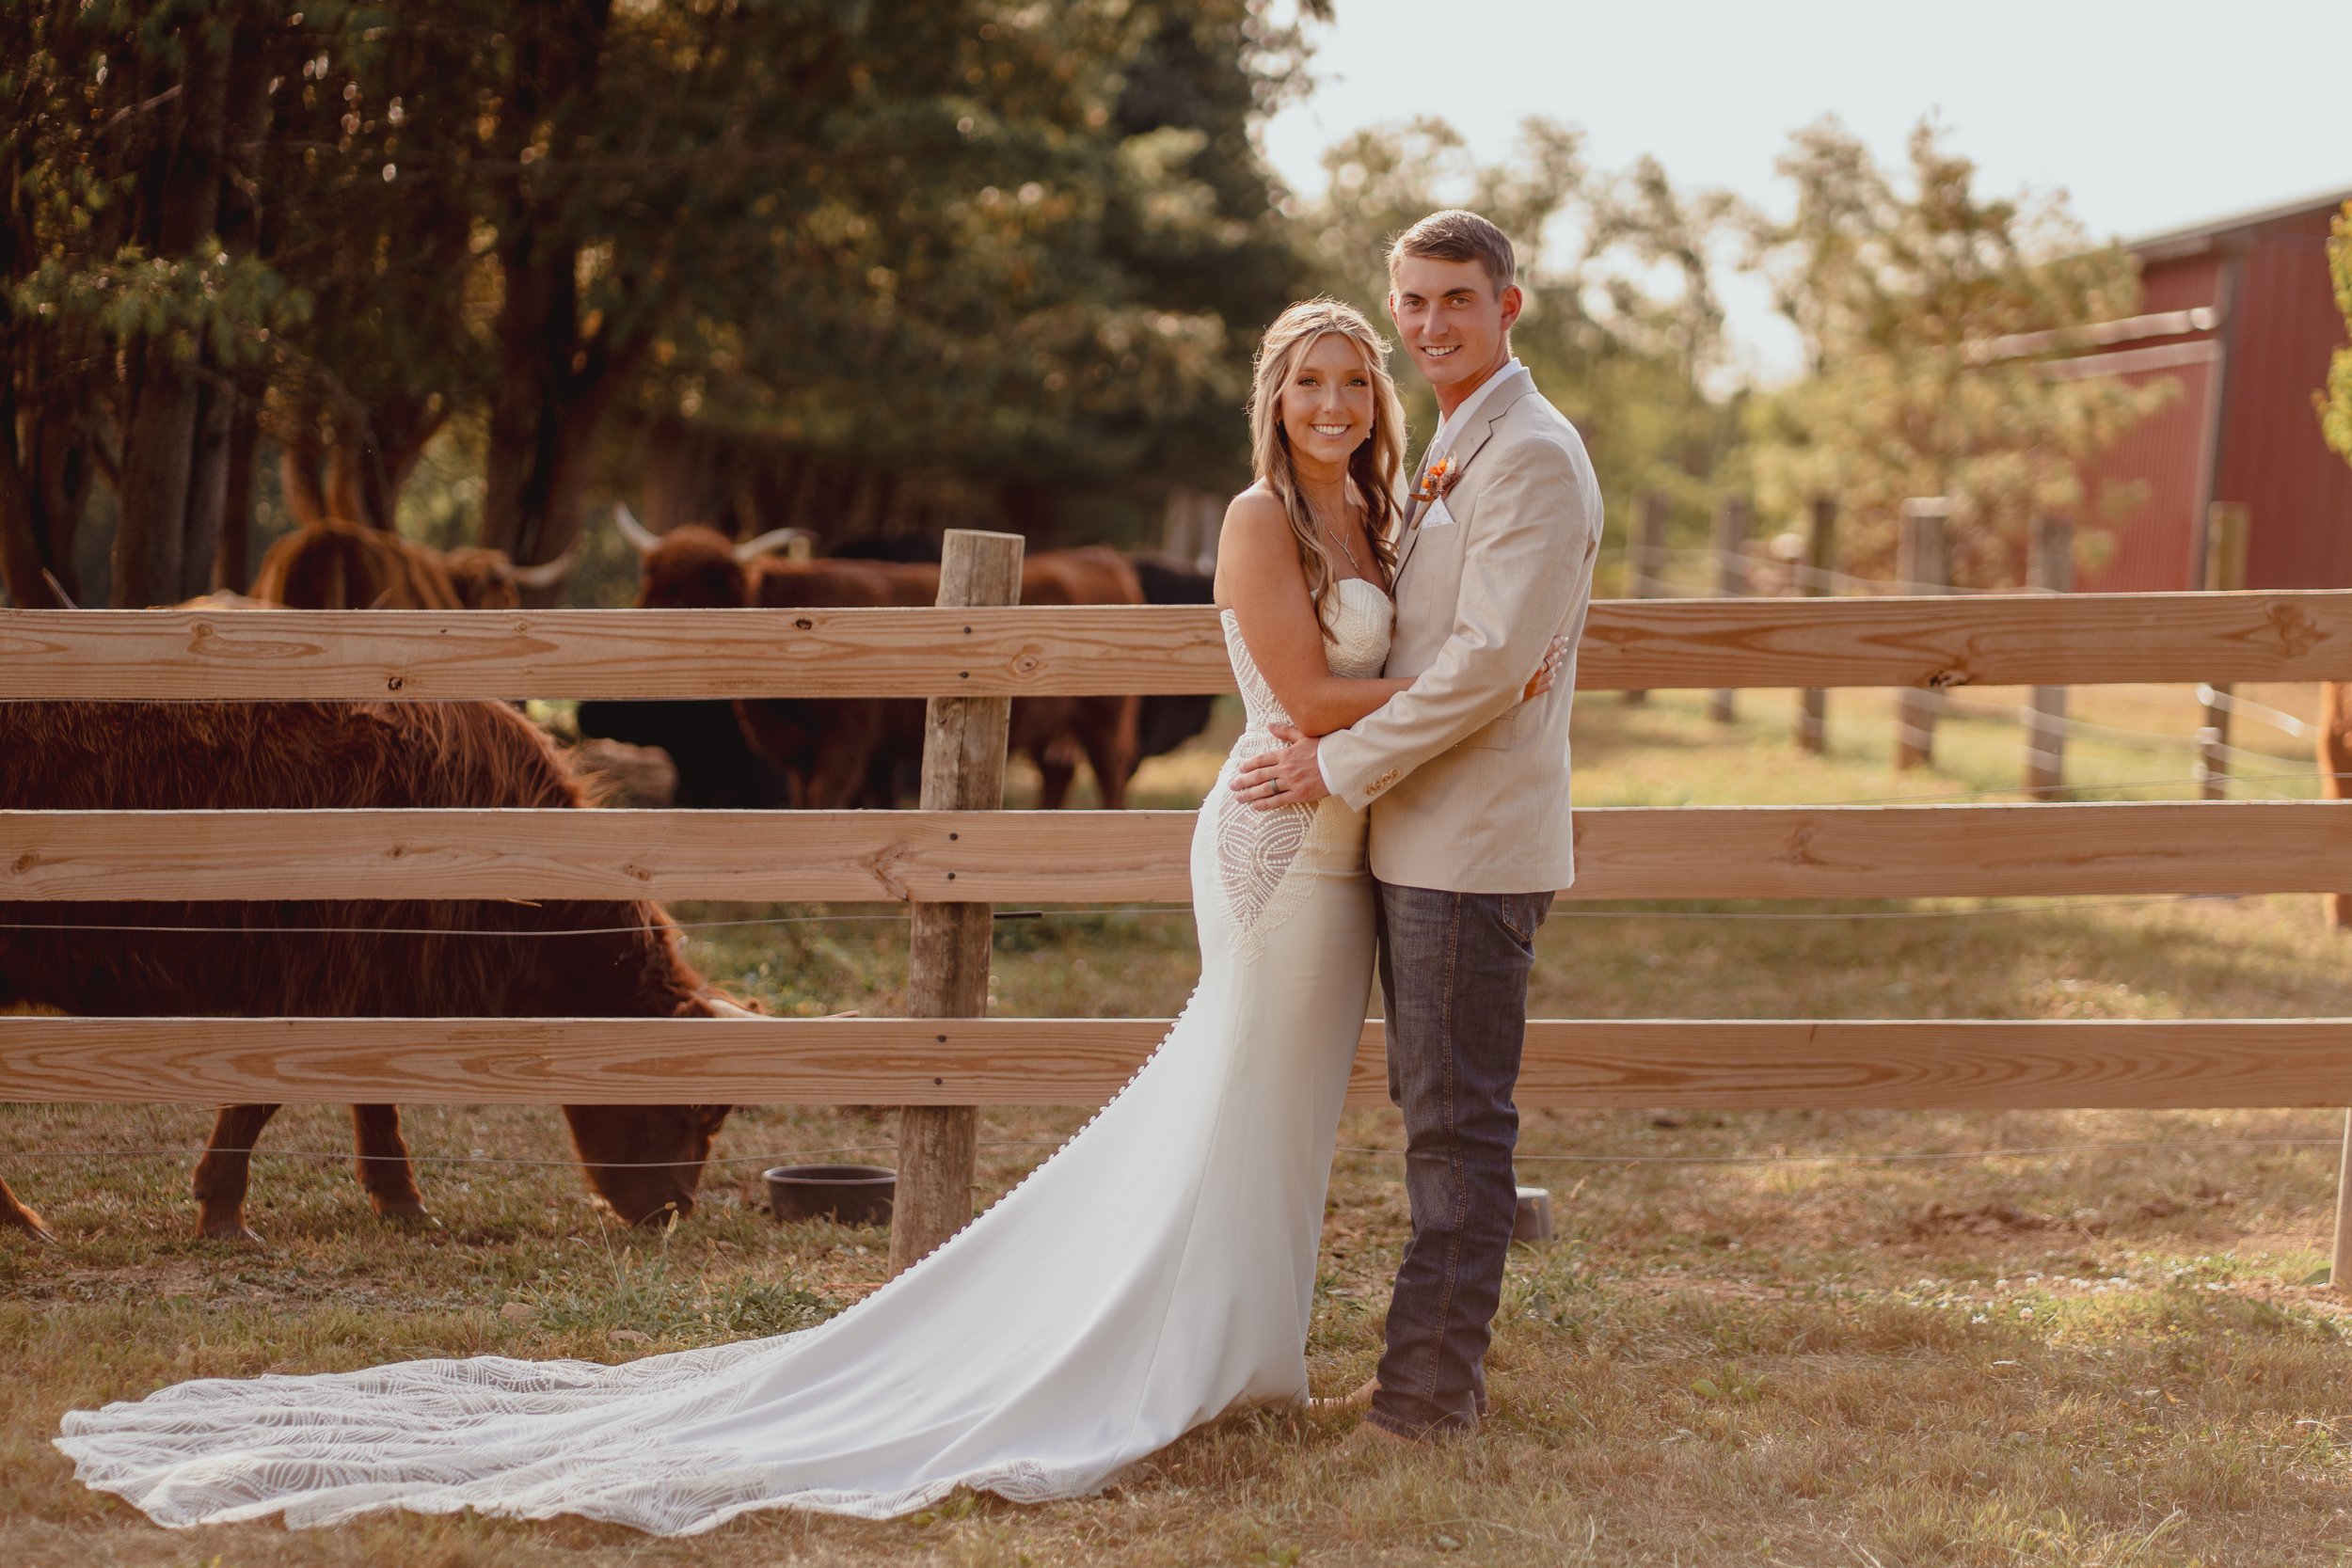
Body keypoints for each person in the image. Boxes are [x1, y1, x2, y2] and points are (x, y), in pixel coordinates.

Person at [54, 229, 1593, 1537]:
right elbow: (1306, 695)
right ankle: (1155, 1357)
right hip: (1286, 833)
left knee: (1276, 1112)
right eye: (1319, 373)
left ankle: (1242, 1353)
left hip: (1353, 839)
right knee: (1233, 1097)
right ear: (1277, 402)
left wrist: (1478, 687)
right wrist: (1463, 696)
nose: (1344, 391)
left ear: (1412, 373)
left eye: (1361, 373)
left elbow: (1454, 648)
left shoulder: (1406, 493)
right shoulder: (1267, 517)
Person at [1232, 208, 1602, 1441]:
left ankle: (1427, 1403)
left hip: (1472, 841)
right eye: (1414, 301)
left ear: (1510, 304)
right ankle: (1414, 1379)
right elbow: (1458, 650)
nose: (1433, 321)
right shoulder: (1455, 445)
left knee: (1458, 1128)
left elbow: (1494, 663)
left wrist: (1338, 760)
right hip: (1411, 834)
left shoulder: (1535, 455)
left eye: (1457, 297)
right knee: (1433, 1114)